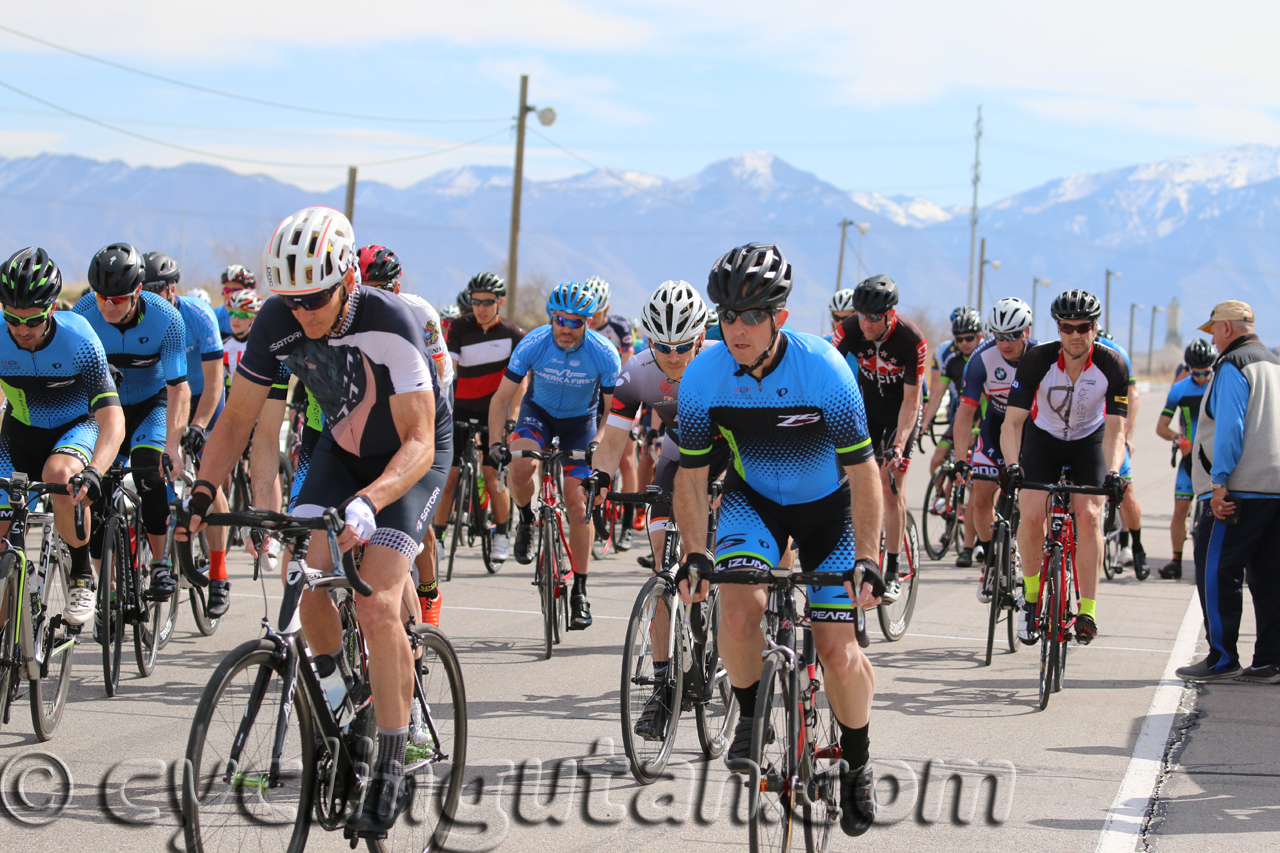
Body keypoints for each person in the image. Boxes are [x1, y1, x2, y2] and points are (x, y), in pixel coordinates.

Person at [179, 206, 451, 832]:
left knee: (376, 600)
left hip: (411, 460)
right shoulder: (276, 321)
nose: (303, 312)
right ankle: (343, 702)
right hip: (341, 451)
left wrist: (372, 500)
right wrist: (203, 491)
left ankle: (389, 753)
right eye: (291, 300)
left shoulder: (393, 320)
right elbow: (239, 419)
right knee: (305, 578)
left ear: (348, 281)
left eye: (316, 298)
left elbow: (416, 440)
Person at [673, 242, 885, 837]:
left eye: (751, 316)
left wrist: (867, 558)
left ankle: (858, 761)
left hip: (828, 511)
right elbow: (691, 475)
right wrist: (695, 551)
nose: (736, 329)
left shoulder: (824, 369)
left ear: (780, 319)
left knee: (839, 649)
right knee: (738, 606)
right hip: (754, 502)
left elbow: (865, 473)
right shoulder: (704, 374)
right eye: (727, 316)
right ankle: (748, 715)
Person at [0, 247, 126, 626]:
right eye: (12, 319)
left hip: (76, 426)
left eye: (33, 320)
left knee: (60, 474)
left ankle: (81, 572)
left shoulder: (78, 337)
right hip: (19, 431)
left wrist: (95, 472)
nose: (22, 330)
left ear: (52, 308)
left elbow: (113, 420)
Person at [487, 281, 621, 631]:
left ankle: (580, 590)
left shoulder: (604, 353)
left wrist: (600, 442)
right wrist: (493, 443)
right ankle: (527, 521)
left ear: (588, 323)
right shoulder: (533, 342)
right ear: (552, 317)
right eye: (560, 319)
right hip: (538, 415)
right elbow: (501, 399)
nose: (565, 328)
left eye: (575, 322)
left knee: (579, 507)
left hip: (581, 423)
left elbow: (611, 410)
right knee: (519, 468)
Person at [1001, 289, 1129, 647]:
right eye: (1067, 327)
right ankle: (1030, 598)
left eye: (1083, 327)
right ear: (1058, 328)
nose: (1076, 334)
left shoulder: (1113, 365)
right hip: (1044, 439)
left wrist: (1115, 471)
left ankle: (1086, 611)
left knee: (1088, 516)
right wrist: (1012, 465)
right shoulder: (1036, 361)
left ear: (1095, 327)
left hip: (1089, 440)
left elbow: (1117, 429)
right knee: (1029, 514)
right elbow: (1012, 424)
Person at [74, 242, 190, 600]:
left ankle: (159, 564)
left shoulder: (166, 318)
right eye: (102, 298)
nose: (108, 306)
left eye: (118, 299)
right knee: (93, 490)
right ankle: (102, 584)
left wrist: (173, 444)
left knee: (148, 472)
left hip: (149, 404)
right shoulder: (83, 313)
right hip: (105, 408)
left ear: (137, 291)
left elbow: (179, 388)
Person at [1177, 301, 1280, 684]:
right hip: (1274, 487)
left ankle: (1222, 658)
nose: (1213, 339)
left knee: (1215, 570)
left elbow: (1230, 428)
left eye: (1213, 330)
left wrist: (1219, 483)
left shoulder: (1233, 366)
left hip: (1239, 488)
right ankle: (1270, 660)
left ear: (1225, 328)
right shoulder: (1272, 362)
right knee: (1270, 577)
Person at [354, 245, 454, 626]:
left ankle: (428, 592)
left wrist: (423, 429)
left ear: (398, 286)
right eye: (369, 287)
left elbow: (440, 375)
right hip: (373, 416)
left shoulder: (420, 312)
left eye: (385, 287)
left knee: (417, 523)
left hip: (422, 411)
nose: (377, 295)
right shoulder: (351, 314)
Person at [141, 252, 235, 615]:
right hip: (166, 396)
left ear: (171, 288)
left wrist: (198, 426)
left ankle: (218, 573)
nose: (148, 296)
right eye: (143, 289)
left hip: (203, 398)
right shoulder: (144, 316)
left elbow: (214, 383)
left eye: (155, 290)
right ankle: (157, 560)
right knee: (155, 469)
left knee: (208, 482)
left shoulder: (198, 315)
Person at [831, 274, 928, 602]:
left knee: (890, 488)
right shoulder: (851, 328)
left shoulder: (912, 339)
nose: (866, 323)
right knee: (847, 475)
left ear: (890, 315)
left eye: (873, 317)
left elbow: (913, 401)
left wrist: (899, 443)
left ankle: (893, 567)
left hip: (900, 411)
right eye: (861, 315)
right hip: (868, 407)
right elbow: (826, 365)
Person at [435, 272, 525, 571]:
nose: (481, 308)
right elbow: (450, 369)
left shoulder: (513, 334)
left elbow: (520, 381)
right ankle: (437, 538)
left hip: (493, 413)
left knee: (491, 476)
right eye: (476, 302)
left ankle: (501, 533)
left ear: (499, 302)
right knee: (448, 476)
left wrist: (512, 416)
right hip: (460, 408)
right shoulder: (459, 327)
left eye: (488, 302)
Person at [952, 298, 1035, 590]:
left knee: (1032, 503)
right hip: (995, 429)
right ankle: (991, 560)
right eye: (999, 335)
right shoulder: (981, 358)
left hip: (1032, 432)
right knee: (980, 498)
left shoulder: (1041, 356)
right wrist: (961, 457)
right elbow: (965, 413)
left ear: (1027, 331)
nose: (1005, 343)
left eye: (1012, 335)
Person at [585, 276, 643, 548]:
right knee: (594, 453)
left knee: (626, 459)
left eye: (597, 312)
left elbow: (630, 364)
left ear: (606, 309)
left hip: (622, 395)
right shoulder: (580, 325)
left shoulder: (619, 327)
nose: (592, 317)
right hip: (593, 400)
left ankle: (628, 524)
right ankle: (595, 512)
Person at [1155, 338, 1214, 580]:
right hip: (1189, 461)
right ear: (1188, 368)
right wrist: (1178, 439)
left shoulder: (1220, 385)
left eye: (1207, 372)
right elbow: (1161, 427)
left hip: (1214, 460)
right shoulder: (1180, 389)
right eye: (1196, 372)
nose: (1201, 377)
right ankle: (1176, 561)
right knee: (1180, 512)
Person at [1097, 329, 1147, 576]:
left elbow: (1132, 397)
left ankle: (1137, 546)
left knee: (1126, 492)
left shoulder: (1115, 352)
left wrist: (1125, 436)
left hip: (1114, 423)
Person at [216, 264, 257, 340]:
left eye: (236, 290)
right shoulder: (217, 315)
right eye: (226, 290)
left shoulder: (264, 310)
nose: (230, 294)